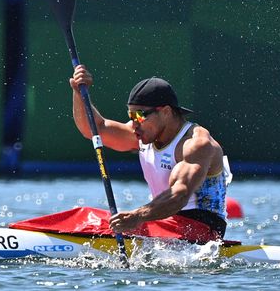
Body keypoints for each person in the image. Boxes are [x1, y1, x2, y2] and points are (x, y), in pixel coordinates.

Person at [69, 64, 230, 240]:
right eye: (131, 116)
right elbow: (94, 128)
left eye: (139, 115)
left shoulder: (195, 144)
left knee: (94, 221)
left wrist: (137, 216)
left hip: (201, 230)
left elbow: (179, 195)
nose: (134, 123)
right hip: (164, 222)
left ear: (166, 112)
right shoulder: (142, 134)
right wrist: (79, 93)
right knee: (85, 215)